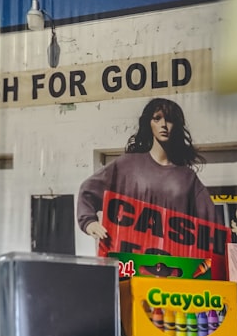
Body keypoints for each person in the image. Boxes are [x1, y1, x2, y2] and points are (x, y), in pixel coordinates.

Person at [77, 98, 218, 241]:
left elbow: (213, 226)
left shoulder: (187, 177)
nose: (163, 125)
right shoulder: (128, 165)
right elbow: (88, 190)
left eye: (169, 120)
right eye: (157, 119)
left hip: (174, 260)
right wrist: (89, 222)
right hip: (134, 257)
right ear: (149, 124)